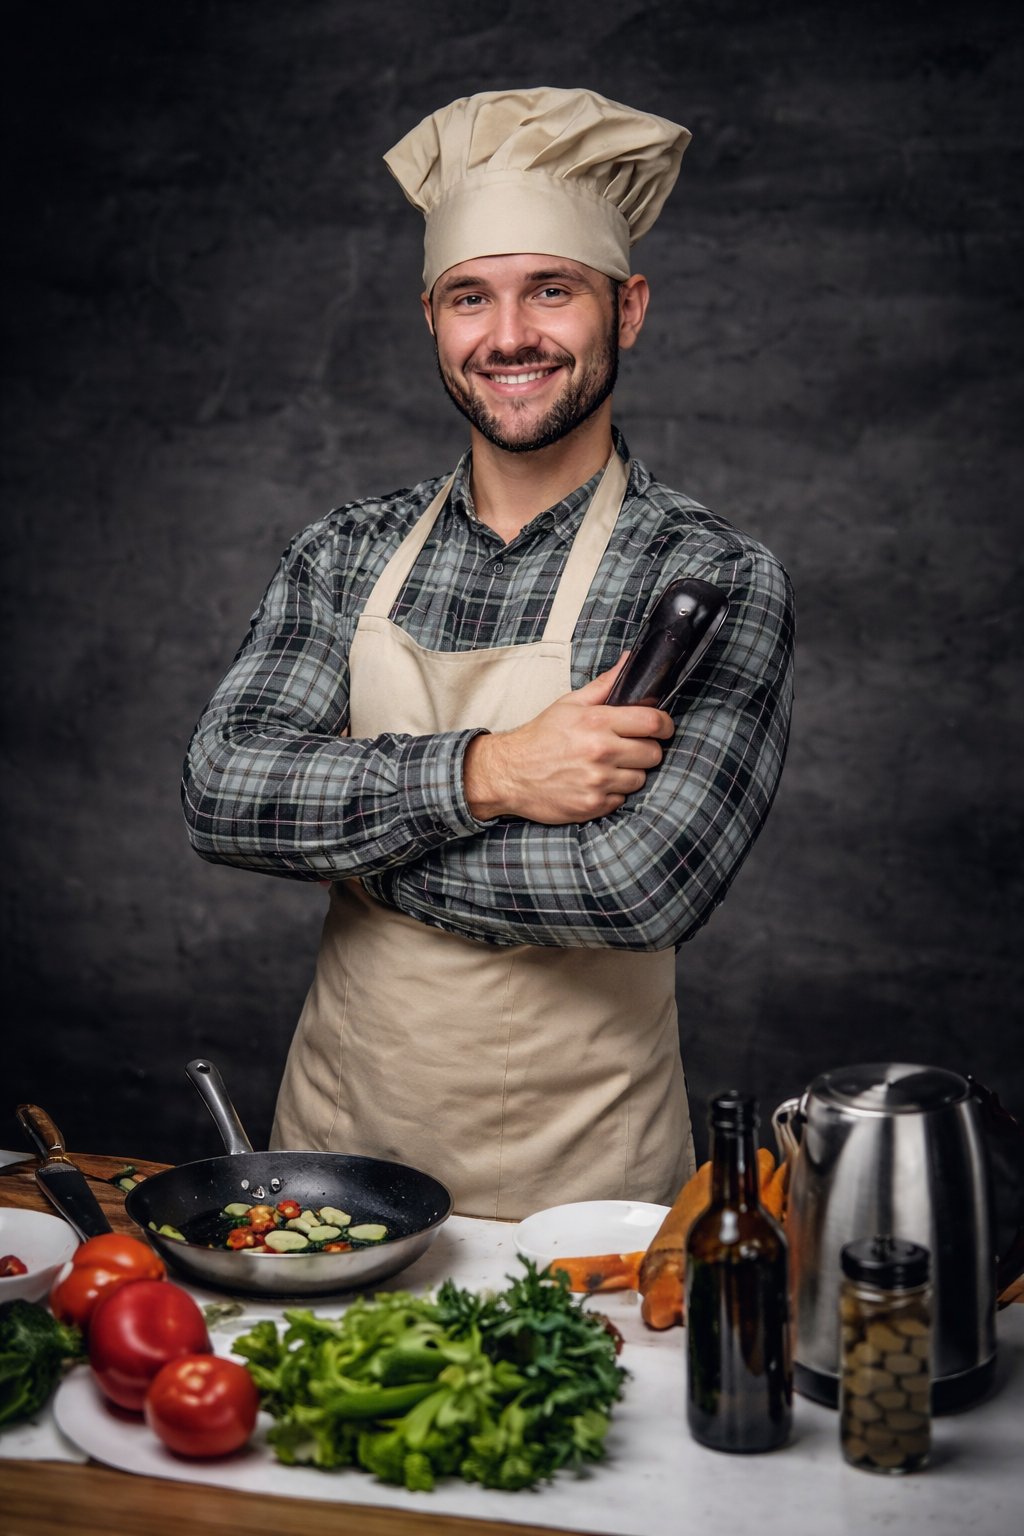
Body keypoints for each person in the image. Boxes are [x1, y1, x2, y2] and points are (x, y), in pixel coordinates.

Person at [182, 88, 794, 1220]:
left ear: (630, 307)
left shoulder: (709, 579)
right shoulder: (343, 550)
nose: (508, 336)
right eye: (472, 296)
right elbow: (223, 790)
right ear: (431, 319)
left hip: (582, 1201)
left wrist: (348, 852)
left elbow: (636, 886)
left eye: (549, 291)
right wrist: (492, 774)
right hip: (331, 1173)